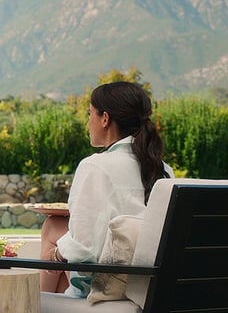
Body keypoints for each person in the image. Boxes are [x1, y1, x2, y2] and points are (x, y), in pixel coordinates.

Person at [39, 81, 172, 293]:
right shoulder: (164, 171)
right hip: (144, 284)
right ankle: (46, 302)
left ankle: (42, 308)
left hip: (105, 289)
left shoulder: (95, 167)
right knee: (55, 225)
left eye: (89, 113)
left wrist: (54, 257)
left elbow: (84, 249)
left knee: (51, 229)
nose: (88, 122)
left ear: (105, 118)